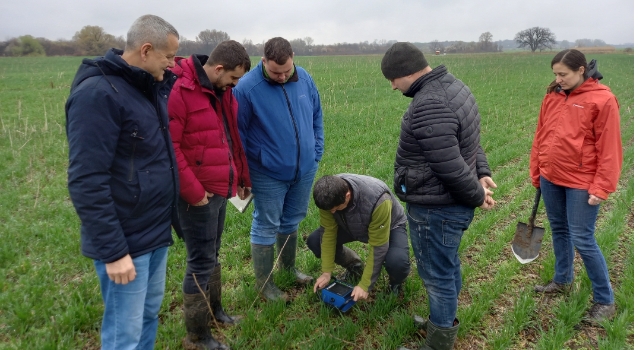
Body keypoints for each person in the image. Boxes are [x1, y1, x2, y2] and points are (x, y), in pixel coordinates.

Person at [65, 14, 180, 350]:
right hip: (126, 242)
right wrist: (114, 252)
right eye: (169, 56)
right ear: (146, 50)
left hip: (154, 232)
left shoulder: (148, 88)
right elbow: (87, 180)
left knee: (147, 316)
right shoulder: (97, 95)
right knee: (123, 334)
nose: (173, 64)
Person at [381, 42, 496, 350]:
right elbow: (469, 141)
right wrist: (482, 172)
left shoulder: (429, 104)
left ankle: (439, 342)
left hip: (436, 208)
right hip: (448, 205)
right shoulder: (454, 87)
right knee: (446, 265)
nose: (392, 87)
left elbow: (450, 166)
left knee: (437, 275)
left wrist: (477, 194)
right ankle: (440, 320)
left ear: (407, 72)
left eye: (393, 79)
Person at [168, 40, 252, 349]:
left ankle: (216, 312)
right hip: (197, 195)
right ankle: (198, 336)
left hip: (219, 188)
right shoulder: (180, 91)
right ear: (218, 69)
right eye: (233, 78)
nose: (235, 84)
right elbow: (171, 148)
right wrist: (194, 192)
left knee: (212, 255)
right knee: (200, 261)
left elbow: (232, 138)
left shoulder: (223, 92)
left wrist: (241, 177)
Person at [530, 49, 622, 323]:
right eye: (555, 74)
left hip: (582, 182)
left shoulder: (602, 99)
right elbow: (541, 134)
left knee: (583, 238)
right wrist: (538, 170)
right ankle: (562, 280)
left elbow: (610, 148)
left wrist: (601, 186)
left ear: (581, 69)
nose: (558, 79)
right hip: (551, 177)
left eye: (563, 74)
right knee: (559, 229)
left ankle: (605, 300)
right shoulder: (553, 96)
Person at [233, 37, 324, 302]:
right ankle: (265, 286)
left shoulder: (304, 77)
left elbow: (317, 115)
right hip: (267, 172)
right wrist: (246, 172)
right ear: (263, 61)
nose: (283, 77)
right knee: (266, 224)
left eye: (287, 70)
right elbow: (238, 135)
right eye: (275, 72)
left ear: (293, 57)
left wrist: (316, 150)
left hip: (304, 168)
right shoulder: (247, 89)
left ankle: (289, 268)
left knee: (293, 218)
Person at [309, 174, 410, 301]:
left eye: (335, 209)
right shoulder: (327, 196)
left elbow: (378, 246)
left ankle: (395, 283)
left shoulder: (379, 200)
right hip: (350, 224)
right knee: (315, 241)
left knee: (397, 262)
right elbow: (328, 233)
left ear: (347, 196)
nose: (332, 212)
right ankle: (354, 265)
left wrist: (365, 285)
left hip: (390, 226)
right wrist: (326, 272)